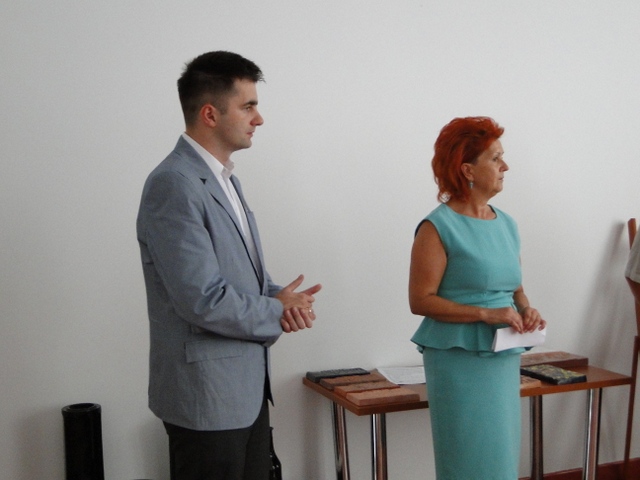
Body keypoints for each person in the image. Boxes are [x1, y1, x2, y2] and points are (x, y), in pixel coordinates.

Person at [136, 51, 321, 480]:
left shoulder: (225, 179)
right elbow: (202, 299)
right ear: (210, 114)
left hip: (244, 393)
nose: (259, 119)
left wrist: (280, 298)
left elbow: (238, 277)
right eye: (248, 106)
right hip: (206, 400)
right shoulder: (173, 184)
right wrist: (276, 309)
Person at [408, 116, 546, 479]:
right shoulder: (437, 227)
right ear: (467, 169)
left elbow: (515, 288)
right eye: (496, 158)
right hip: (458, 360)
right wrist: (485, 314)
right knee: (467, 458)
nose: (505, 166)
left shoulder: (507, 224)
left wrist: (527, 309)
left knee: (500, 459)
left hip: (502, 357)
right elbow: (421, 300)